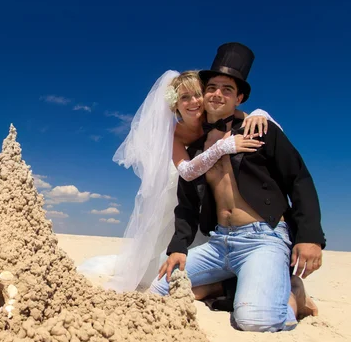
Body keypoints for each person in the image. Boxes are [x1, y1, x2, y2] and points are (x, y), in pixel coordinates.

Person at [149, 42, 326, 332]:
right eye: (212, 87)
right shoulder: (195, 149)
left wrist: (310, 237)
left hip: (264, 238)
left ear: (239, 98)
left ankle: (295, 296)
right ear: (204, 95)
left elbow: (300, 179)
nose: (217, 94)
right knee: (157, 290)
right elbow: (187, 204)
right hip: (220, 242)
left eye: (227, 89)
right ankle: (227, 284)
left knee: (253, 321)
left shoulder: (260, 129)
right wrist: (178, 248)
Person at [77, 69, 276, 293]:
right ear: (175, 105)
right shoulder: (174, 133)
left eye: (197, 95)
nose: (193, 102)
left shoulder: (216, 118)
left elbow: (252, 120)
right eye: (184, 97)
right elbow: (187, 171)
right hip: (184, 184)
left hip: (214, 187)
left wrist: (261, 112)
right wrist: (222, 147)